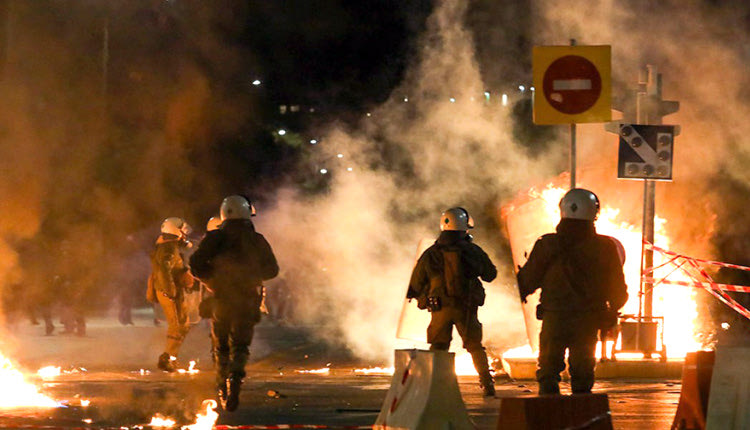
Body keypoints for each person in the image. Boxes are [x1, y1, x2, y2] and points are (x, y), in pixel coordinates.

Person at [516, 188, 629, 395]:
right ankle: (581, 419)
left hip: (554, 317)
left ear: (563, 210)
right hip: (587, 320)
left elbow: (527, 281)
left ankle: (548, 419)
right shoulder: (605, 247)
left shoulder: (547, 243)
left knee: (548, 372)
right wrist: (612, 310)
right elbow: (618, 291)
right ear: (595, 213)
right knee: (583, 375)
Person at [189, 195, 279, 411]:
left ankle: (221, 385)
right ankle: (235, 384)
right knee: (240, 346)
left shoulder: (214, 238)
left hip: (220, 298)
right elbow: (272, 270)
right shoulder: (257, 240)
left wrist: (212, 280)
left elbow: (195, 264)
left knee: (220, 345)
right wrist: (252, 276)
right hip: (247, 299)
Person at [406, 207, 498, 397]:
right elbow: (490, 274)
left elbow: (415, 283)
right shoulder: (472, 250)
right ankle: (487, 383)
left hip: (439, 308)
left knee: (439, 347)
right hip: (465, 307)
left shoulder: (431, 253)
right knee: (474, 345)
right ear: (465, 227)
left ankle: (435, 387)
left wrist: (421, 297)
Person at [147, 216, 196, 372]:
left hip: (172, 289)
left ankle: (170, 356)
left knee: (183, 324)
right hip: (169, 291)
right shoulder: (168, 248)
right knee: (177, 325)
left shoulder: (170, 246)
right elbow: (163, 271)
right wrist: (170, 290)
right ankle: (168, 358)